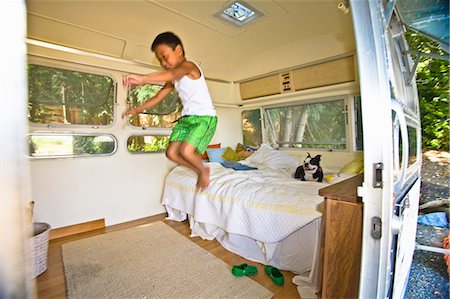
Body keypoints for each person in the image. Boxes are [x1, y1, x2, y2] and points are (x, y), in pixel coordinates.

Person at [122, 32, 217, 189]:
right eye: (160, 60)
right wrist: (135, 110)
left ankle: (203, 171)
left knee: (186, 152)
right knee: (171, 153)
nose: (163, 62)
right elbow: (159, 97)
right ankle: (200, 168)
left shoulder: (189, 66)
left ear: (178, 50)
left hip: (204, 117)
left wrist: (142, 79)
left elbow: (172, 73)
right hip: (187, 118)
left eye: (165, 57)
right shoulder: (174, 78)